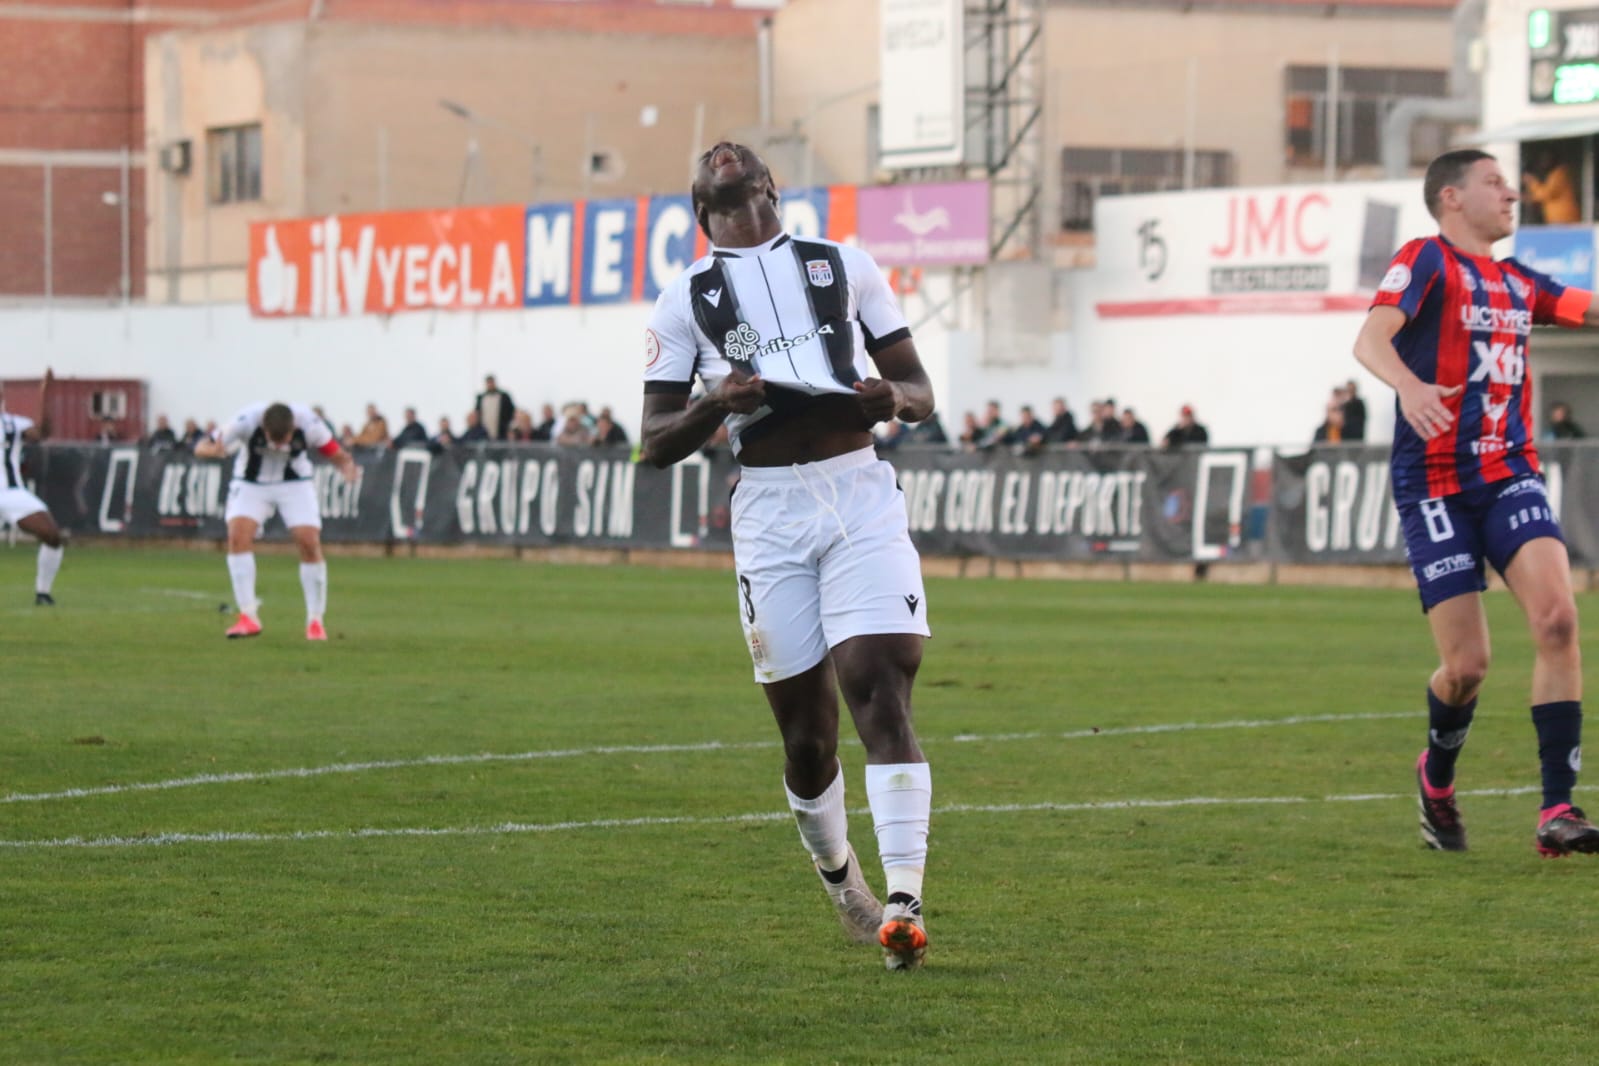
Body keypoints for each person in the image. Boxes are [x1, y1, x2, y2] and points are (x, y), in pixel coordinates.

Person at [640, 141, 936, 971]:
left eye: (741, 167)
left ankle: (905, 903)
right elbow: (654, 443)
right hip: (768, 514)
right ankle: (844, 882)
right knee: (807, 740)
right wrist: (713, 400)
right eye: (712, 174)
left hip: (857, 492)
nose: (721, 154)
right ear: (701, 212)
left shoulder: (843, 264)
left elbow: (918, 388)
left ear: (771, 187)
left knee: (879, 684)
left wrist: (893, 399)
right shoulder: (681, 301)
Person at [1353, 148, 1599, 857]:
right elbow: (1369, 338)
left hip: (1508, 473)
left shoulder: (1519, 282)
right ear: (1451, 197)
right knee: (1466, 668)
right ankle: (1435, 778)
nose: (1511, 192)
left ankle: (1557, 808)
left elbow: (1585, 307)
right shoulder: (1424, 259)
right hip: (1432, 483)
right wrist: (1408, 385)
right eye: (1494, 182)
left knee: (1556, 621)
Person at [193, 402, 358, 641]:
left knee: (308, 542)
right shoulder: (245, 420)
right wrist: (210, 451)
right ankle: (248, 617)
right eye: (273, 438)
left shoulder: (310, 424)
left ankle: (315, 620)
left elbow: (336, 452)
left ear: (294, 428)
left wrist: (347, 467)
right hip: (250, 484)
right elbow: (201, 445)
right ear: (263, 428)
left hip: (295, 484)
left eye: (285, 439)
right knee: (237, 536)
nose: (279, 445)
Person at [0, 371, 67, 605]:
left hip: (11, 492)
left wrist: (45, 396)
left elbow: (41, 433)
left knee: (52, 535)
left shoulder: (12, 423)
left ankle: (43, 593)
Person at [475, 375, 515, 441]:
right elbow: (477, 413)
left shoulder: (504, 397)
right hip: (485, 433)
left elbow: (511, 412)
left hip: (501, 432)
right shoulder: (481, 398)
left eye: (491, 382)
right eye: (488, 383)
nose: (490, 385)